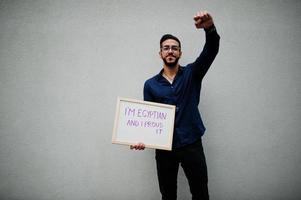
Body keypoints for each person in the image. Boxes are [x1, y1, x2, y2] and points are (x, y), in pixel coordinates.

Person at [130, 11, 220, 200]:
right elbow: (147, 120)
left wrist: (209, 28)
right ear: (160, 53)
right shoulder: (150, 85)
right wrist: (140, 139)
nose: (170, 51)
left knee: (201, 193)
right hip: (164, 148)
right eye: (166, 48)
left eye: (174, 48)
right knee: (168, 194)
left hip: (192, 143)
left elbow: (210, 50)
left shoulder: (192, 73)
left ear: (180, 52)